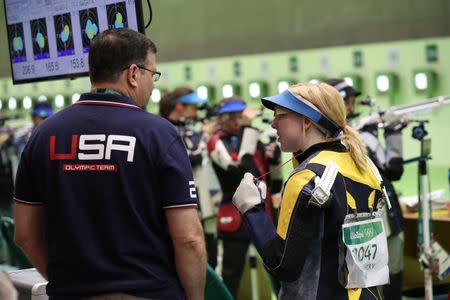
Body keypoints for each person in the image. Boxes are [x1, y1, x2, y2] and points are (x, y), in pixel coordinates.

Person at [13, 28, 206, 300]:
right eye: (152, 74)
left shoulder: (44, 135)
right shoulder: (159, 134)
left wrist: (67, 283)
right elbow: (188, 239)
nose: (153, 85)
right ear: (133, 74)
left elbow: (24, 234)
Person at [232, 83, 389, 299]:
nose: (273, 123)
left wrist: (251, 210)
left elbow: (282, 264)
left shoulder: (306, 178)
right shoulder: (362, 165)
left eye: (280, 115)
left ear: (306, 121)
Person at [325, 78, 405, 300]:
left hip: (373, 218)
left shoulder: (353, 135)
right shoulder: (356, 137)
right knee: (370, 282)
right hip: (364, 223)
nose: (352, 108)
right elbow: (393, 169)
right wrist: (393, 134)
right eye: (347, 103)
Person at [207, 97, 282, 297]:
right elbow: (239, 169)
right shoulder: (216, 141)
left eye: (239, 115)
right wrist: (249, 132)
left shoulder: (252, 138)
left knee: (278, 271)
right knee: (229, 276)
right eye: (231, 116)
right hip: (233, 216)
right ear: (220, 119)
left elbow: (272, 179)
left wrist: (274, 161)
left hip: (263, 215)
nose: (236, 121)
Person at [159, 87, 220, 268]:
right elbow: (193, 157)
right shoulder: (166, 129)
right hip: (179, 202)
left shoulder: (185, 128)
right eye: (193, 106)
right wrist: (206, 133)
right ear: (179, 106)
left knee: (210, 256)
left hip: (198, 202)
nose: (196, 110)